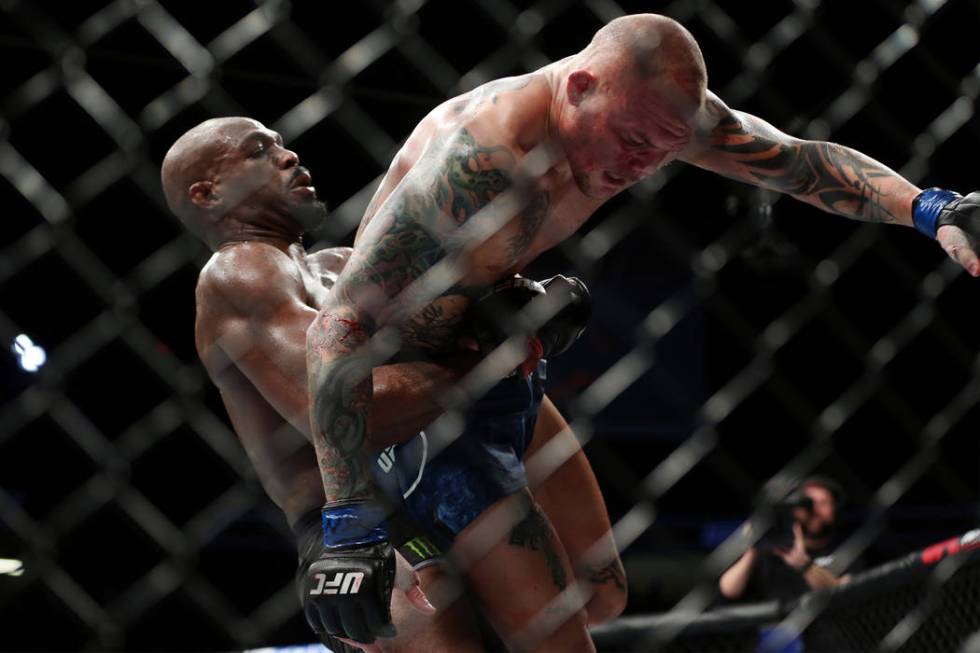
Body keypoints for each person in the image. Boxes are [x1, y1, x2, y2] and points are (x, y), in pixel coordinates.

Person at [305, 10, 980, 647]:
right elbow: (338, 327)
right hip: (418, 405)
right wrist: (348, 521)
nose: (640, 167)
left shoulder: (654, 114)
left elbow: (796, 161)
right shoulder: (481, 162)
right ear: (579, 85)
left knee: (601, 590)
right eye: (632, 141)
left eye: (664, 152)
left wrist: (930, 208)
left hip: (496, 369)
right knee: (558, 636)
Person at [160, 116, 624, 652]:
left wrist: (524, 306)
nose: (289, 158)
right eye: (259, 151)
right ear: (208, 192)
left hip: (445, 465)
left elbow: (459, 315)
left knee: (603, 595)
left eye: (284, 146)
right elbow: (354, 414)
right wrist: (492, 354)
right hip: (359, 526)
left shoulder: (344, 266)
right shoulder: (236, 273)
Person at [718, 476, 856, 603]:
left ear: (834, 511)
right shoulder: (772, 549)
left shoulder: (847, 549)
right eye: (808, 504)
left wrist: (805, 565)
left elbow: (847, 593)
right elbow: (729, 590)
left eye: (823, 503)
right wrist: (753, 547)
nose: (814, 511)